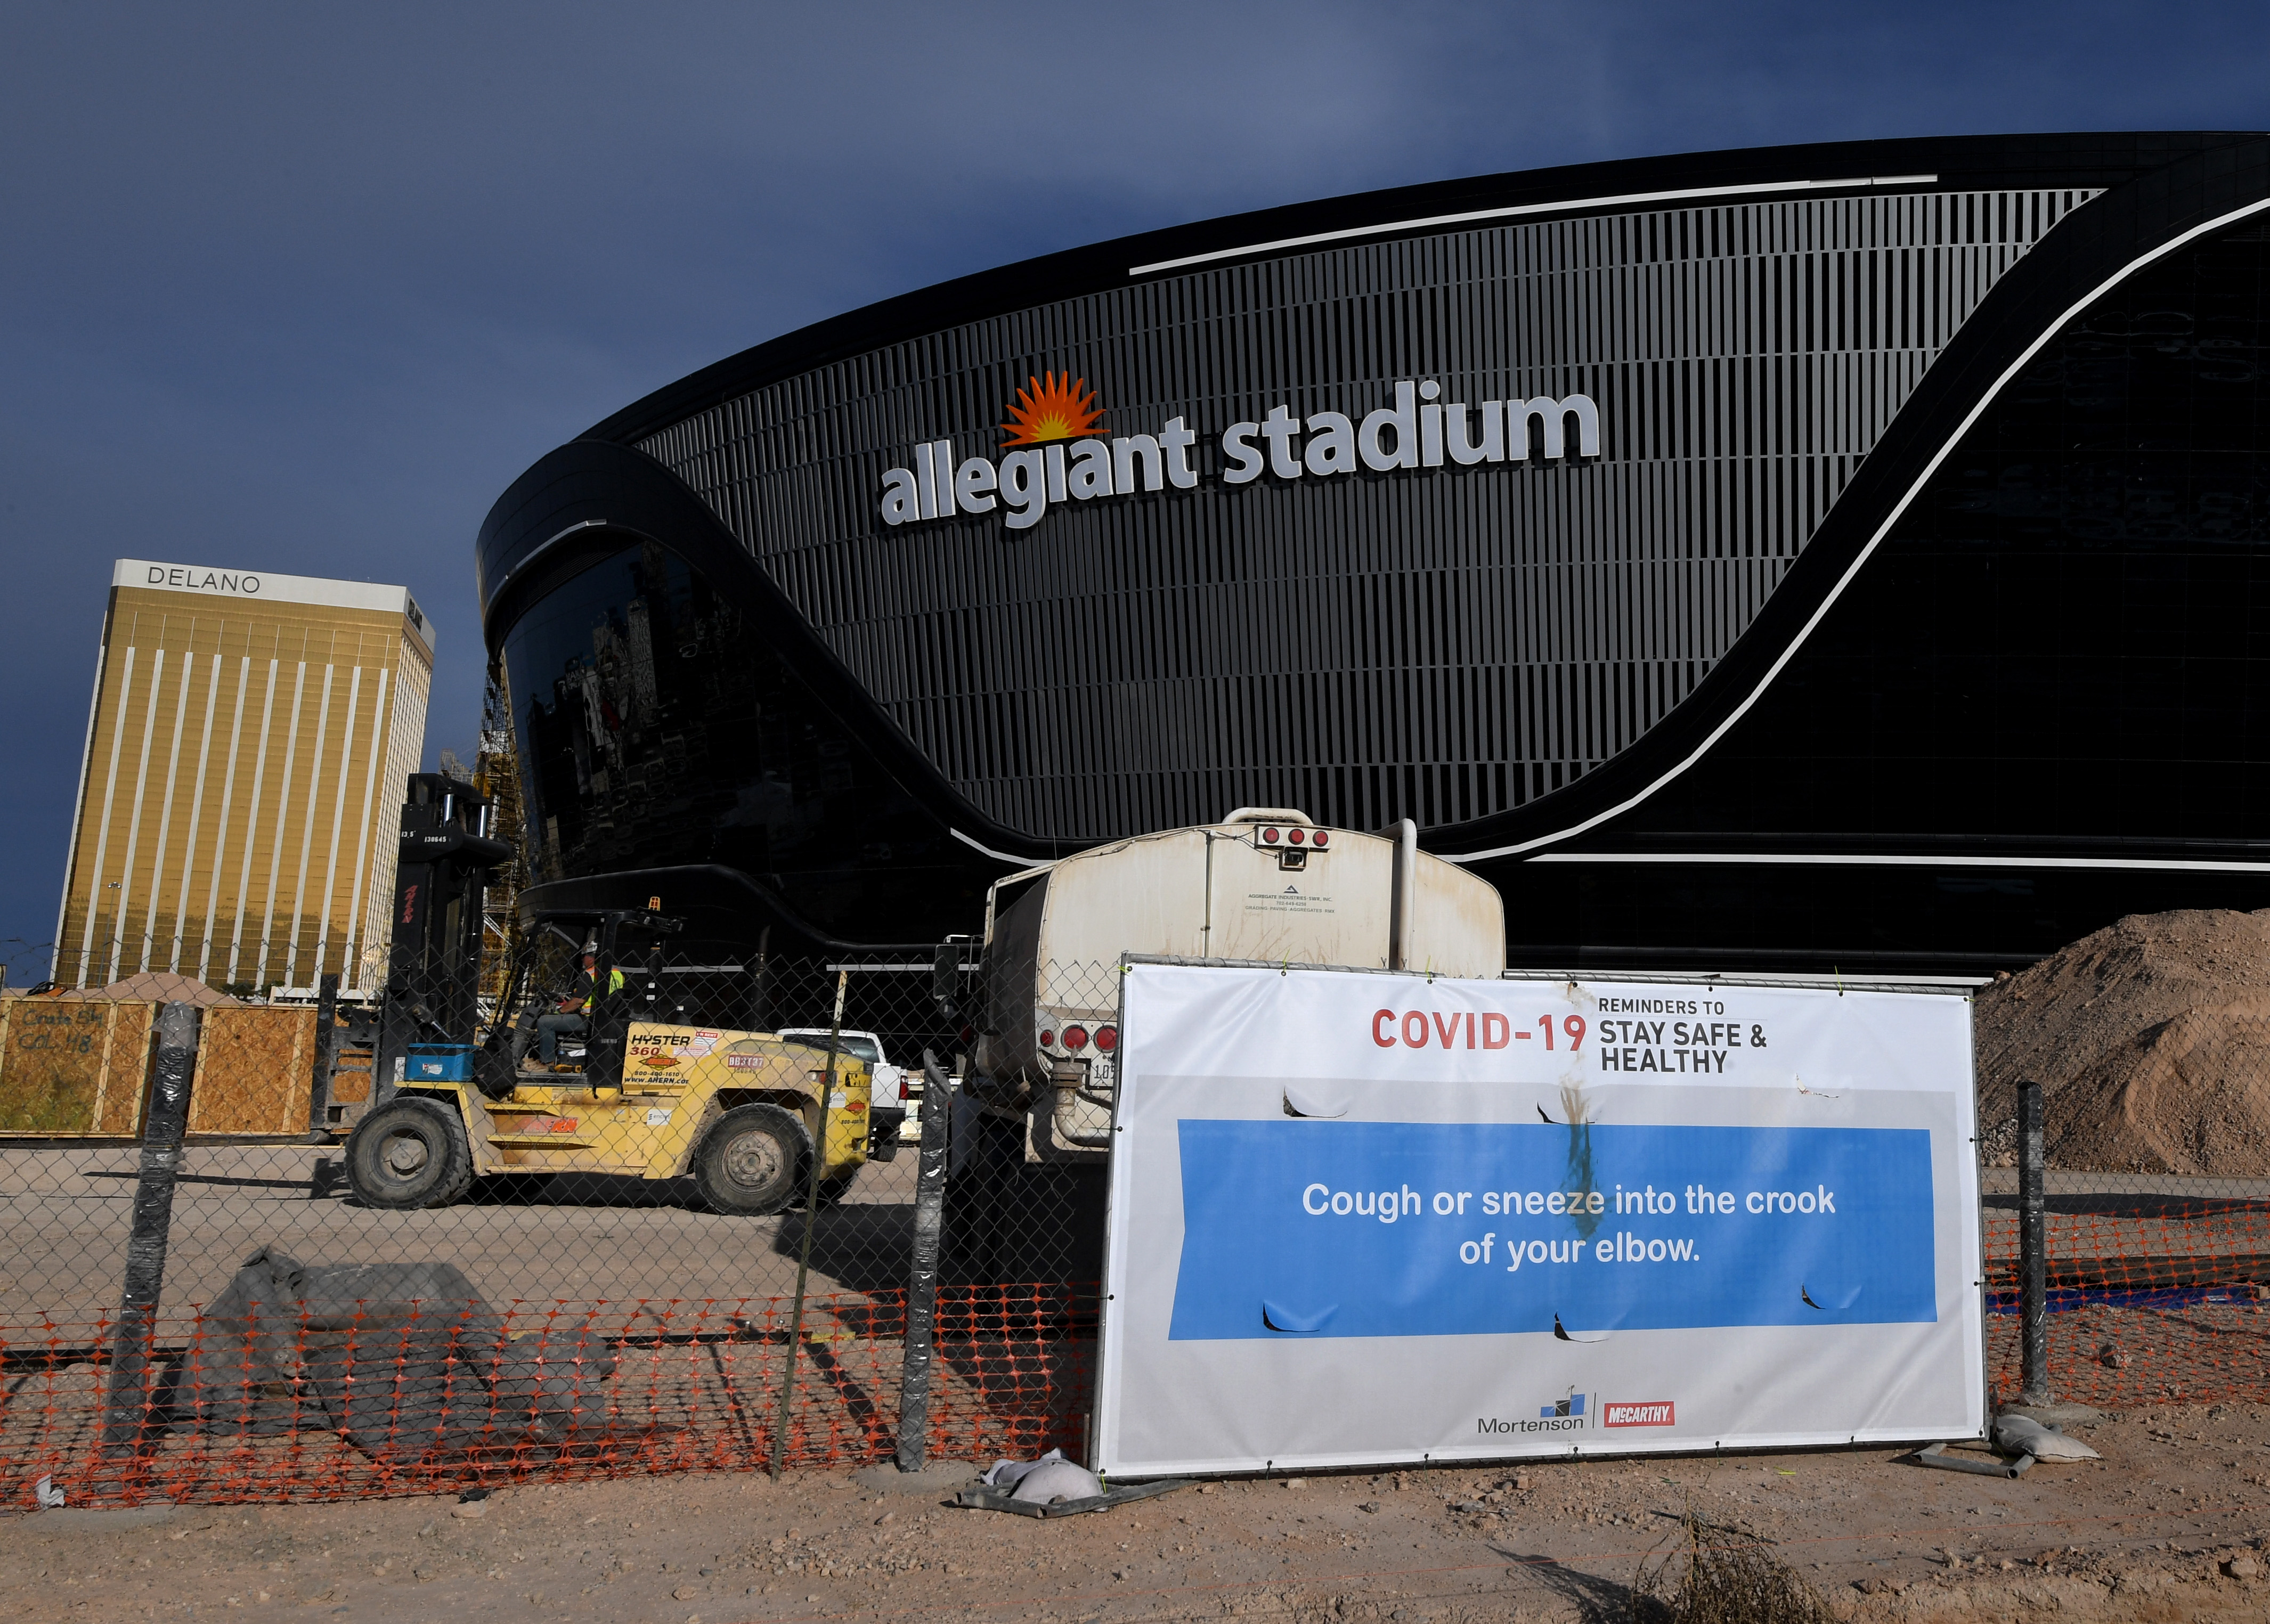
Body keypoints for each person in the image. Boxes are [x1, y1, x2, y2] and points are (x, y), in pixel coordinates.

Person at [536, 950, 625, 1065]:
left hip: (589, 1020)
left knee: (544, 1022)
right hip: (606, 1018)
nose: (583, 960)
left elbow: (579, 1001)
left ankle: (547, 1062)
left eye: (584, 957)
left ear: (591, 958)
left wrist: (559, 1012)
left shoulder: (591, 973)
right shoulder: (617, 973)